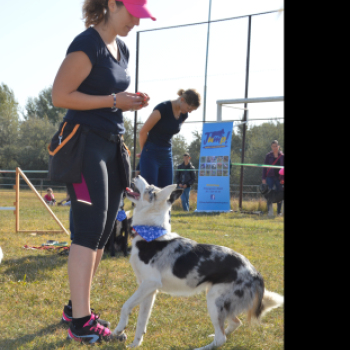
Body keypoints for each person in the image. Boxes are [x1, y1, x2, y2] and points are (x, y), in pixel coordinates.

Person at [51, 0, 155, 344]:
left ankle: (76, 308)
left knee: (103, 232)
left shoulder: (121, 47)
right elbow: (59, 95)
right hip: (83, 147)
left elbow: (110, 93)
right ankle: (80, 322)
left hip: (111, 144)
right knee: (88, 230)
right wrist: (113, 100)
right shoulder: (87, 44)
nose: (137, 23)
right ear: (113, 4)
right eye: (134, 14)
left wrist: (130, 101)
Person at [138, 89, 200, 188]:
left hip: (167, 154)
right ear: (182, 99)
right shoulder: (163, 108)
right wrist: (143, 152)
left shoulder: (184, 114)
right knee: (150, 192)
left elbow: (170, 131)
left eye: (191, 110)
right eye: (188, 108)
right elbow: (143, 132)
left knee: (166, 192)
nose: (189, 111)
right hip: (151, 152)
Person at [262, 140, 284, 216]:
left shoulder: (282, 156)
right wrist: (263, 178)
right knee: (269, 194)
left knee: (280, 194)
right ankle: (270, 212)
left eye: (276, 146)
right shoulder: (268, 156)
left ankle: (279, 212)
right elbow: (264, 168)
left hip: (280, 178)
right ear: (271, 147)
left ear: (279, 146)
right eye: (273, 146)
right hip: (270, 177)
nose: (275, 148)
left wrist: (283, 178)